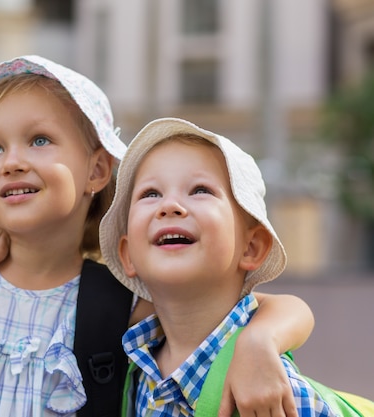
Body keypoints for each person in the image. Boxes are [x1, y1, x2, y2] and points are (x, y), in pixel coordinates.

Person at [0, 55, 312, 417]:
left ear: (97, 170)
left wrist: (260, 342)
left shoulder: (120, 303)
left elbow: (267, 307)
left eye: (39, 140)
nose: (13, 159)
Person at [97, 117, 336, 416]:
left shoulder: (275, 392)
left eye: (199, 190)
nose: (169, 205)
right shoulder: (134, 369)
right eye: (151, 194)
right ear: (128, 254)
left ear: (251, 247)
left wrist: (259, 340)